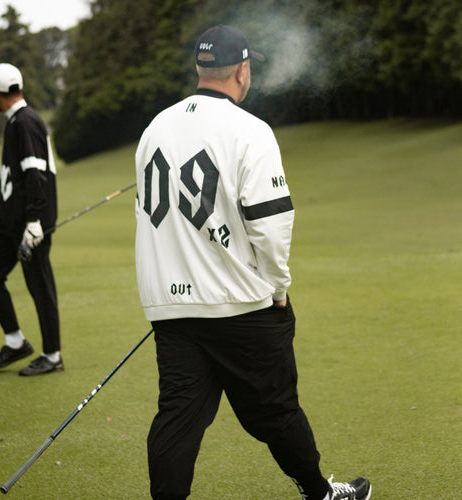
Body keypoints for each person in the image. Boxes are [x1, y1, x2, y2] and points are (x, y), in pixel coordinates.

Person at [134, 25, 371, 500]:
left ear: (199, 69)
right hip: (243, 306)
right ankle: (319, 492)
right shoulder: (251, 130)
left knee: (177, 419)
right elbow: (271, 224)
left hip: (172, 311)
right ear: (242, 71)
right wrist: (278, 288)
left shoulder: (154, 129)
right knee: (277, 411)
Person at [0, 63, 63, 376]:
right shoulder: (16, 122)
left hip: (30, 226)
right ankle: (15, 342)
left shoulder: (26, 122)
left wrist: (34, 222)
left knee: (39, 285)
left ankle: (52, 356)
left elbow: (35, 174)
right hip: (8, 225)